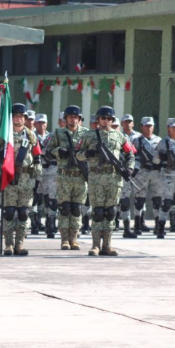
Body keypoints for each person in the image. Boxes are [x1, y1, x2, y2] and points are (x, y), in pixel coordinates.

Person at [77, 106, 135, 256]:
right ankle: (95, 245)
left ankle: (107, 245)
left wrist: (129, 168)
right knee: (98, 212)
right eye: (103, 118)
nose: (106, 121)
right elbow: (77, 154)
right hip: (96, 177)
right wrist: (88, 153)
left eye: (109, 119)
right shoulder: (89, 136)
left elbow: (130, 154)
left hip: (114, 178)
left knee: (110, 212)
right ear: (98, 119)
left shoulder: (120, 136)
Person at [0, 103, 42, 256]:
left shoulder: (31, 135)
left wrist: (38, 180)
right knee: (9, 212)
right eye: (15, 116)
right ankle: (8, 245)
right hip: (9, 177)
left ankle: (20, 244)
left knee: (24, 212)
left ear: (25, 118)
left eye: (21, 116)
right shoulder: (4, 134)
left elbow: (37, 157)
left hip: (26, 178)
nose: (18, 118)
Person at [46, 105, 89, 249]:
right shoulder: (58, 133)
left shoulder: (86, 134)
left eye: (75, 117)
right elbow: (47, 152)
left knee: (77, 209)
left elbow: (92, 152)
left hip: (80, 176)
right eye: (70, 117)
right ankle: (64, 239)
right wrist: (59, 151)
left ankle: (74, 238)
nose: (73, 119)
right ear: (66, 119)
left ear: (79, 119)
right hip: (64, 177)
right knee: (64, 208)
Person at [131, 117, 162, 235]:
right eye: (146, 126)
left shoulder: (159, 140)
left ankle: (158, 225)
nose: (149, 128)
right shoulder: (137, 140)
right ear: (141, 127)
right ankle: (137, 224)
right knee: (140, 200)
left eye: (151, 126)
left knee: (157, 200)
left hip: (156, 173)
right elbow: (134, 156)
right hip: (142, 172)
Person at [118, 114, 142, 237]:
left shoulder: (126, 140)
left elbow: (134, 155)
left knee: (126, 201)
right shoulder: (101, 138)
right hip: (110, 175)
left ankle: (128, 228)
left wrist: (132, 168)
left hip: (126, 173)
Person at [35, 113, 58, 238]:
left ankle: (50, 224)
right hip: (37, 171)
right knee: (37, 199)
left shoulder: (52, 137)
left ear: (46, 124)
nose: (41, 125)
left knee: (52, 200)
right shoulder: (31, 136)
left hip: (51, 171)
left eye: (43, 123)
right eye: (38, 122)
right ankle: (35, 223)